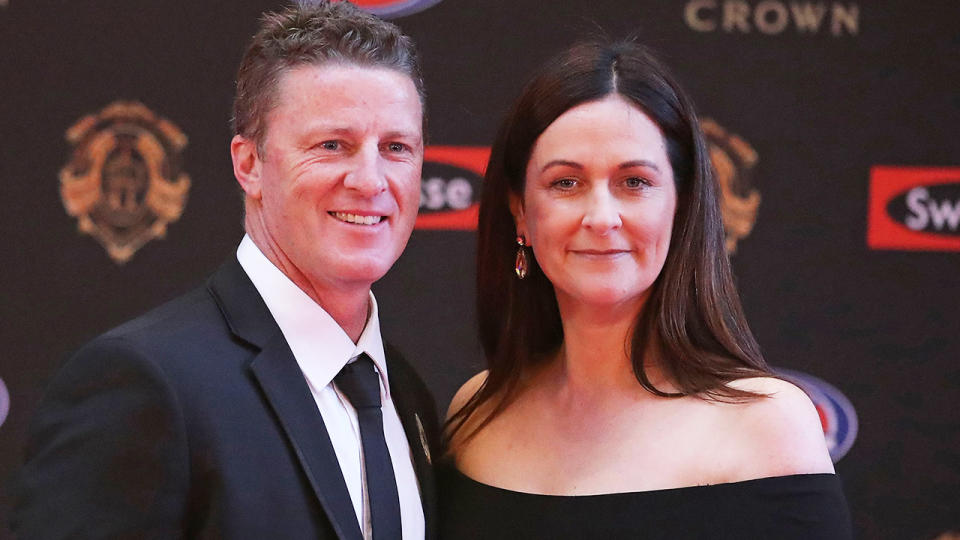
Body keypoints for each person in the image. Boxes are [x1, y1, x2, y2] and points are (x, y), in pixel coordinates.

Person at [12, 3, 439, 539]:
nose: (370, 180)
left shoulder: (406, 394)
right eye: (333, 145)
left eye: (396, 148)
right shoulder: (146, 384)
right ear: (249, 164)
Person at [441, 40, 852, 539]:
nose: (601, 217)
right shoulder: (476, 415)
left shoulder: (766, 424)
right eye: (565, 183)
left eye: (634, 182)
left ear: (680, 208)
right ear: (520, 212)